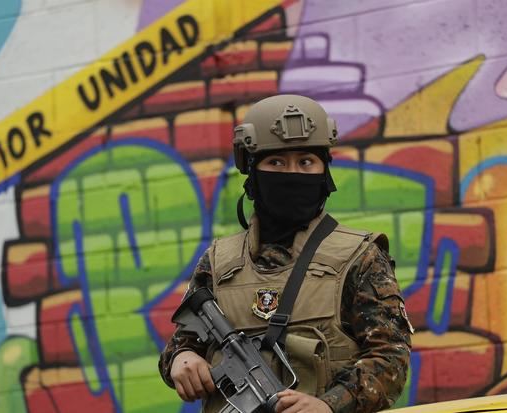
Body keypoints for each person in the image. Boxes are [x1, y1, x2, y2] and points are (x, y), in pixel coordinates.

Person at [158, 95, 413, 413]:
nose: (292, 174)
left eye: (306, 162)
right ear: (252, 172)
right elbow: (182, 344)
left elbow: (390, 359)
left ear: (324, 172)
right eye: (276, 162)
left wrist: (328, 406)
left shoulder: (360, 258)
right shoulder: (218, 262)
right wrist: (182, 360)